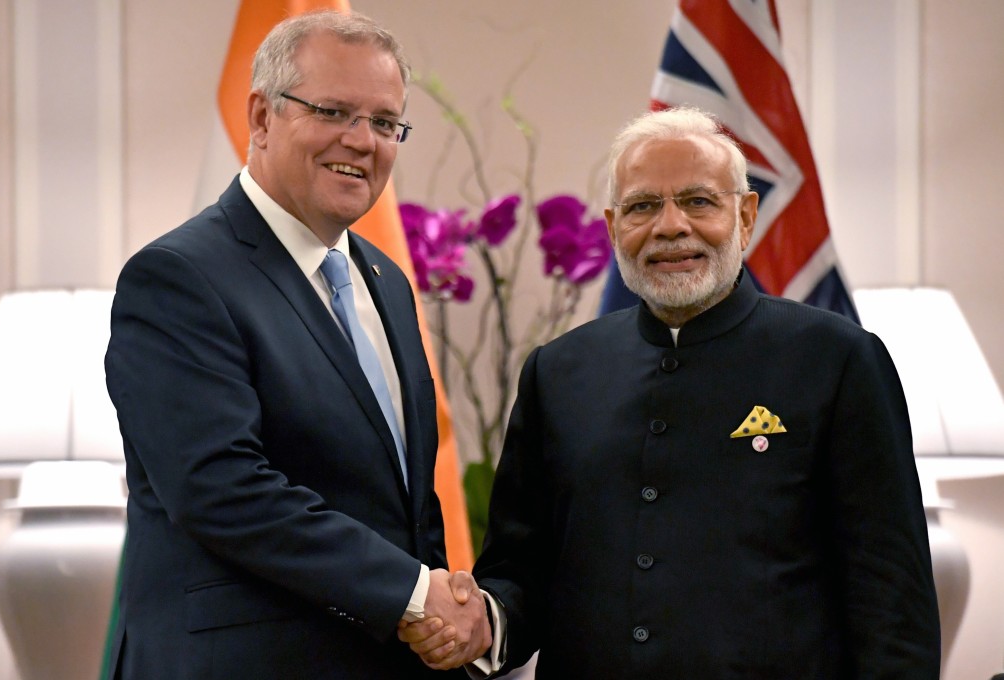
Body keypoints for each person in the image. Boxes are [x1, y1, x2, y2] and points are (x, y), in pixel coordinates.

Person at [402, 106, 941, 677]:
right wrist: (479, 619)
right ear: (613, 229)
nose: (670, 227)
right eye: (642, 207)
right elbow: (521, 568)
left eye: (698, 201)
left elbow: (892, 602)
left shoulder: (838, 360)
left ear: (746, 216)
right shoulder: (557, 372)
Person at [104, 10, 489, 680]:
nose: (362, 141)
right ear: (260, 117)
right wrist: (411, 594)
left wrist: (442, 617)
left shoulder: (387, 283)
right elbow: (221, 489)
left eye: (384, 122)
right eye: (335, 110)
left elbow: (404, 506)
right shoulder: (178, 278)